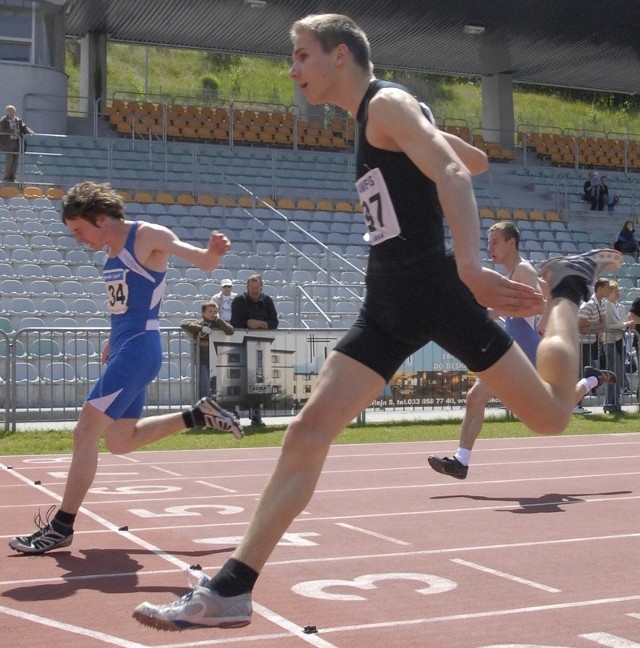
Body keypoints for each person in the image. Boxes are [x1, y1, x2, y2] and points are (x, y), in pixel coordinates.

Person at [132, 14, 622, 630]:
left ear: (340, 56)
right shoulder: (384, 112)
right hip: (387, 301)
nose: (292, 70)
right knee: (308, 433)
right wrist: (433, 130)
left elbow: (452, 172)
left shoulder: (386, 103)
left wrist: (471, 265)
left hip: (435, 290)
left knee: (551, 416)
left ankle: (568, 293)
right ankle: (234, 587)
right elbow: (472, 160)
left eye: (302, 56)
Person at [9, 182, 243, 555]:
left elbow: (203, 262)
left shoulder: (147, 235)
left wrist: (212, 251)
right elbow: (125, 309)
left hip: (139, 351)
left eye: (80, 231)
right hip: (124, 348)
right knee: (119, 441)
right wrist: (112, 340)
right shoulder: (112, 253)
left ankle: (61, 526)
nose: (79, 240)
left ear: (100, 218)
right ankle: (197, 416)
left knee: (84, 432)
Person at [428, 222, 614, 479]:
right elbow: (546, 295)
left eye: (494, 242)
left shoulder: (523, 270)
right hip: (510, 349)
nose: (489, 247)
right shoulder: (517, 271)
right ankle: (461, 461)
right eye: (488, 241)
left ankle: (590, 379)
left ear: (510, 243)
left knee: (553, 411)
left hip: (525, 349)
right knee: (475, 398)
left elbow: (538, 305)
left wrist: (498, 311)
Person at [230, 273, 279, 426]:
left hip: (261, 347)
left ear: (261, 287)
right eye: (252, 288)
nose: (255, 291)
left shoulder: (267, 300)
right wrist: (257, 325)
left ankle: (256, 415)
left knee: (258, 381)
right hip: (241, 346)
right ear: (247, 288)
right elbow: (237, 323)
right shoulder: (239, 300)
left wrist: (258, 324)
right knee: (237, 380)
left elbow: (274, 322)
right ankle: (234, 413)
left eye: (257, 288)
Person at [181, 301, 234, 399]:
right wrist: (201, 329)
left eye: (215, 311)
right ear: (203, 313)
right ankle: (203, 409)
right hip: (203, 361)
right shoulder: (199, 324)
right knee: (204, 388)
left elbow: (230, 330)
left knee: (219, 389)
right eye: (210, 311)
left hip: (217, 361)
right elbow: (184, 324)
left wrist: (219, 320)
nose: (213, 313)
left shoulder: (219, 325)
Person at [574, 277, 610, 414]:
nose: (608, 290)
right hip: (583, 344)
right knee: (582, 374)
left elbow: (603, 325)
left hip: (592, 343)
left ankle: (577, 404)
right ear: (599, 289)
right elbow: (580, 327)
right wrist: (598, 327)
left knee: (586, 374)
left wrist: (594, 328)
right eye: (606, 287)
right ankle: (575, 404)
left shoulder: (601, 304)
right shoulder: (588, 305)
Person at [602, 281, 630, 413]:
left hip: (620, 342)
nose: (618, 293)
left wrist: (623, 325)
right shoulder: (606, 306)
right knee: (614, 373)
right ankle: (610, 403)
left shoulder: (621, 307)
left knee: (617, 374)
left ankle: (615, 403)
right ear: (609, 293)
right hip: (609, 342)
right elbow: (608, 326)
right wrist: (623, 324)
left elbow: (622, 324)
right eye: (615, 291)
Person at [0, 105, 33, 182]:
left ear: (14, 112)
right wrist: (11, 131)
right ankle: (6, 177)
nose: (10, 112)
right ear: (6, 112)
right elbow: (1, 130)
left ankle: (12, 177)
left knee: (15, 159)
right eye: (9, 111)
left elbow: (24, 127)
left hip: (17, 142)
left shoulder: (18, 120)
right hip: (8, 143)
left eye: (12, 111)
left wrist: (29, 131)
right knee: (10, 158)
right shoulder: (3, 121)